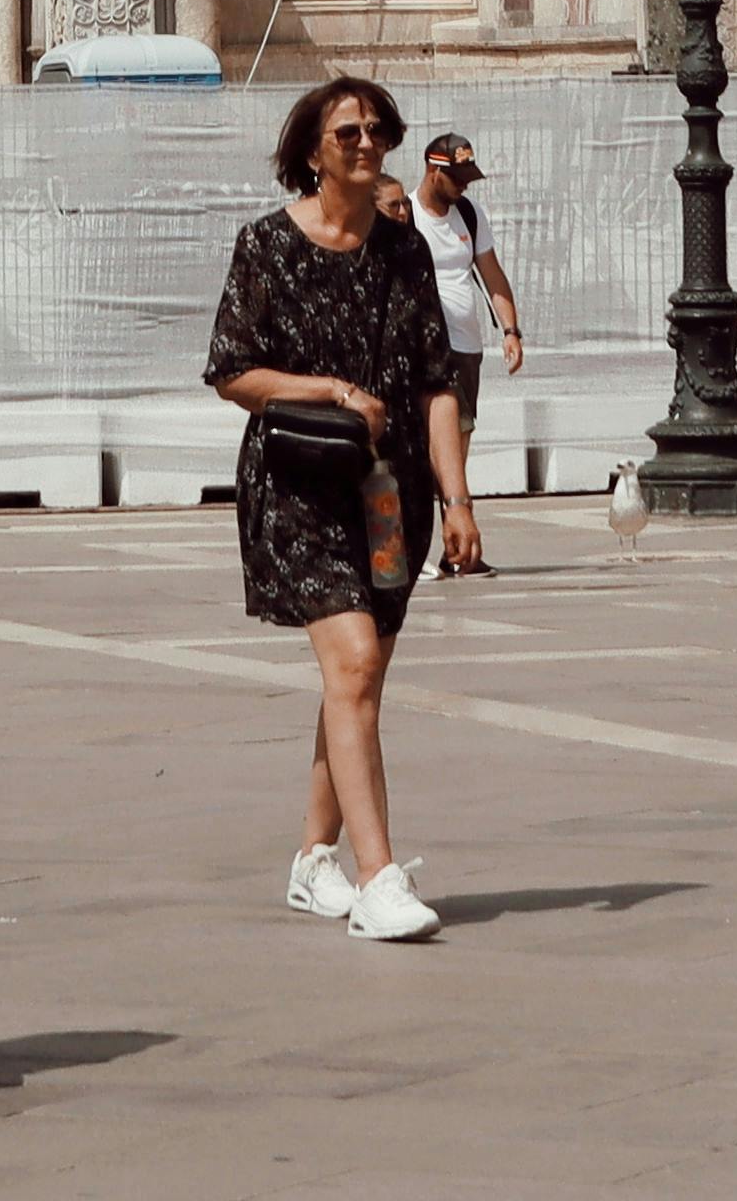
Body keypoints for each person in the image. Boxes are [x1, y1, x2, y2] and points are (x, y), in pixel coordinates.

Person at [216, 75, 451, 938]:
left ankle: (313, 860)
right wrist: (328, 391)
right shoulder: (266, 246)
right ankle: (378, 877)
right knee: (352, 665)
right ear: (311, 152)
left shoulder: (406, 251)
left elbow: (436, 384)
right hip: (298, 487)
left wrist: (458, 499)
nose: (365, 143)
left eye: (377, 129)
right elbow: (232, 370)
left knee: (357, 680)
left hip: (390, 495)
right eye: (346, 131)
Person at [409, 136, 528, 574]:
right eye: (455, 178)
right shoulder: (405, 214)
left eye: (467, 178)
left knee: (456, 447)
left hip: (466, 347)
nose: (463, 186)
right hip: (423, 348)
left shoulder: (470, 216)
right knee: (428, 448)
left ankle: (453, 547)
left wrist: (511, 330)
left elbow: (492, 275)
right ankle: (423, 545)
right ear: (432, 170)